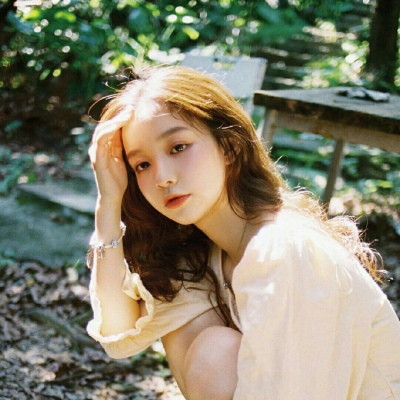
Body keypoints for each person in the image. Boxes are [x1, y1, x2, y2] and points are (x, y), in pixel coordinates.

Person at [86, 64, 400, 400]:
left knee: (214, 352)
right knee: (207, 342)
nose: (162, 177)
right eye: (142, 165)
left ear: (229, 147)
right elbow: (118, 333)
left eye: (178, 147)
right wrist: (109, 205)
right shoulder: (204, 259)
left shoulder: (283, 248)